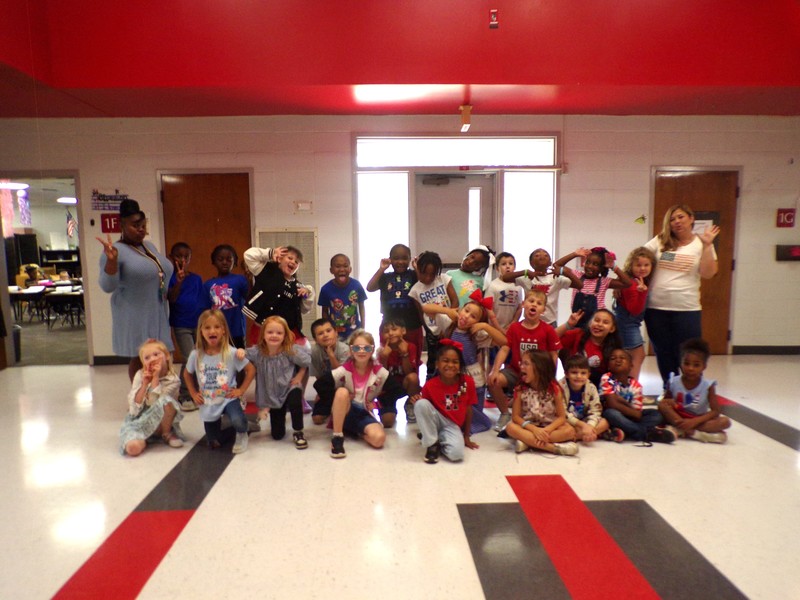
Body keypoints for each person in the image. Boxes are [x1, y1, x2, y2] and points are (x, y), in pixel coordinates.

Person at [97, 199, 174, 381]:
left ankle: (159, 396)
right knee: (142, 358)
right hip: (134, 314)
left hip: (157, 311)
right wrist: (111, 262)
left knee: (161, 355)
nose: (140, 229)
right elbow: (107, 286)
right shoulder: (115, 251)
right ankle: (140, 400)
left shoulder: (149, 246)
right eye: (134, 225)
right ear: (122, 225)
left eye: (142, 224)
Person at [644, 204, 720, 388]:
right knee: (663, 352)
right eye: (672, 219)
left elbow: (709, 273)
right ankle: (669, 389)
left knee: (690, 353)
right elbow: (639, 259)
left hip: (687, 309)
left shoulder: (701, 243)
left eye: (680, 217)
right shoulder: (660, 241)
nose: (676, 222)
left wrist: (708, 245)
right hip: (656, 308)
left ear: (691, 218)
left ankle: (691, 390)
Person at [422, 289, 507, 433]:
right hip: (448, 372)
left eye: (473, 316)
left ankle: (461, 424)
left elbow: (504, 341)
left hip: (470, 376)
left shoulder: (477, 334)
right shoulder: (448, 322)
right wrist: (447, 310)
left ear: (477, 322)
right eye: (466, 310)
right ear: (460, 309)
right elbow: (425, 308)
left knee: (470, 408)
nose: (466, 316)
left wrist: (486, 326)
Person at [322, 330, 403, 459]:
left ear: (372, 350)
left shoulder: (380, 372)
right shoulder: (344, 369)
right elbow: (320, 385)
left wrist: (378, 404)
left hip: (364, 412)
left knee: (379, 439)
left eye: (366, 348)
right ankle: (337, 438)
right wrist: (335, 401)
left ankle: (353, 430)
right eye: (356, 348)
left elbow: (398, 390)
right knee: (342, 392)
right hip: (346, 409)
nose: (361, 351)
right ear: (351, 350)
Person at [184, 309, 256, 453]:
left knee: (236, 420)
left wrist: (241, 390)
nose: (212, 331)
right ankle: (243, 425)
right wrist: (192, 393)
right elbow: (187, 374)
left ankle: (242, 430)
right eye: (207, 327)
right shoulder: (195, 355)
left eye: (217, 327)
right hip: (209, 400)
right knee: (213, 442)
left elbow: (251, 370)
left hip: (229, 398)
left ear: (223, 330)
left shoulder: (231, 352)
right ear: (201, 331)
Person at [489, 288, 562, 430]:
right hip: (516, 371)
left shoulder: (548, 330)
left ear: (544, 310)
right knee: (493, 381)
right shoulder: (514, 328)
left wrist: (551, 377)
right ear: (523, 304)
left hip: (538, 375)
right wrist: (495, 370)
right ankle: (505, 413)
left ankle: (532, 416)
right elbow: (504, 349)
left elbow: (553, 355)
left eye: (539, 303)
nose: (534, 304)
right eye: (531, 301)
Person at [239, 316, 312, 449]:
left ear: (285, 335)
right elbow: (244, 354)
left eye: (279, 333)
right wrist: (239, 351)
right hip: (273, 394)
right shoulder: (258, 352)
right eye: (270, 332)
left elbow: (306, 362)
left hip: (289, 387)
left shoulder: (290, 350)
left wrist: (299, 377)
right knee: (277, 435)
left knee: (295, 400)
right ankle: (279, 413)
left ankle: (298, 431)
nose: (274, 336)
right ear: (264, 334)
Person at [409, 340, 479, 463]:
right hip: (436, 420)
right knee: (421, 404)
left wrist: (466, 436)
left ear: (460, 365)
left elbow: (469, 409)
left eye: (455, 362)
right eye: (445, 361)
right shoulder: (430, 385)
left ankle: (436, 438)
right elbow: (426, 411)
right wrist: (417, 400)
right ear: (437, 364)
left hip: (452, 425)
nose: (450, 365)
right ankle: (432, 444)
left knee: (457, 455)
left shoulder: (467, 382)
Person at [504, 349, 578, 456]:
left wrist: (547, 430)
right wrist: (534, 429)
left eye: (526, 364)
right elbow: (515, 417)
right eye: (521, 363)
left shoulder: (555, 389)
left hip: (549, 427)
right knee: (510, 428)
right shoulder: (520, 389)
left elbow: (562, 417)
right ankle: (553, 448)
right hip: (529, 426)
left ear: (539, 368)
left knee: (569, 431)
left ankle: (528, 442)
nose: (521, 367)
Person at [119, 339, 185, 456]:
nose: (152, 359)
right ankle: (143, 438)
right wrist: (144, 384)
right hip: (140, 421)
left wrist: (155, 378)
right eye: (147, 358)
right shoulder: (140, 375)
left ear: (167, 356)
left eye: (156, 354)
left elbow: (157, 404)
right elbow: (134, 409)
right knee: (132, 449)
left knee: (166, 401)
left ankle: (166, 434)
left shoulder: (174, 380)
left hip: (162, 423)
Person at [658, 338, 731, 443]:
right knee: (661, 406)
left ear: (704, 367)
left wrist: (694, 422)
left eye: (696, 365)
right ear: (681, 363)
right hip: (677, 416)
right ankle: (695, 433)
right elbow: (665, 403)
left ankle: (683, 430)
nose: (690, 368)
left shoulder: (708, 386)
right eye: (686, 363)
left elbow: (715, 411)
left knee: (725, 422)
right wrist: (667, 402)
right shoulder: (673, 381)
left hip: (697, 419)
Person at [243, 245, 315, 344]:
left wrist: (308, 294)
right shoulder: (265, 269)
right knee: (259, 357)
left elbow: (305, 309)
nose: (293, 262)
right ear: (280, 259)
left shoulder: (298, 286)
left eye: (296, 262)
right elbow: (248, 255)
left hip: (285, 335)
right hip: (261, 329)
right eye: (290, 258)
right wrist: (270, 253)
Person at [600, 348, 675, 444]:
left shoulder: (636, 385)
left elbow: (637, 414)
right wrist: (630, 409)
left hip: (629, 417)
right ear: (609, 366)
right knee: (611, 413)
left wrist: (620, 401)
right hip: (611, 416)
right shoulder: (607, 378)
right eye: (613, 358)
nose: (618, 360)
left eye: (622, 358)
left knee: (656, 415)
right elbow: (612, 404)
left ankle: (625, 431)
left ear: (631, 366)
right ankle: (645, 433)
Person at [366, 243, 422, 364]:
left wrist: (417, 268)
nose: (400, 261)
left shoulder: (413, 275)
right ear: (390, 260)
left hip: (412, 325)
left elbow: (423, 284)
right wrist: (382, 268)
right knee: (388, 358)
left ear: (409, 259)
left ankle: (412, 381)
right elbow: (370, 287)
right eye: (396, 258)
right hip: (388, 326)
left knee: (412, 359)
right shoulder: (385, 277)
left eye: (404, 258)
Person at [408, 250, 458, 380]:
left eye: (432, 274)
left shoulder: (444, 279)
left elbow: (455, 301)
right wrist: (429, 331)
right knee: (433, 360)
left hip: (451, 326)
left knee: (451, 356)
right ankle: (431, 384)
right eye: (424, 274)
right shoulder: (415, 290)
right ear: (418, 269)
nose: (428, 278)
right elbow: (421, 314)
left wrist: (449, 324)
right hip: (432, 331)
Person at [501, 248, 583, 327]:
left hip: (550, 323)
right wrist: (525, 272)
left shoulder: (556, 278)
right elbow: (505, 277)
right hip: (529, 321)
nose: (542, 256)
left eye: (546, 255)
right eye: (537, 255)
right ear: (531, 263)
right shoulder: (526, 277)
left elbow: (579, 285)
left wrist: (564, 271)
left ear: (550, 262)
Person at [167, 242, 205, 411]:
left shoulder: (196, 278)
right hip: (181, 324)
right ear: (171, 257)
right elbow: (171, 298)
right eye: (178, 256)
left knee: (200, 357)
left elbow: (202, 301)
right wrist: (179, 281)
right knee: (190, 357)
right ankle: (184, 395)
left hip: (198, 324)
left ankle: (195, 391)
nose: (182, 260)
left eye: (186, 257)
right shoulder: (170, 278)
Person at [612, 247, 657, 381]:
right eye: (638, 265)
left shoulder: (634, 280)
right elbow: (635, 310)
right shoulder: (632, 284)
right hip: (627, 324)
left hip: (628, 323)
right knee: (637, 355)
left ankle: (628, 384)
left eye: (646, 265)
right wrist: (642, 293)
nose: (642, 268)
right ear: (631, 266)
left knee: (632, 355)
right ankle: (632, 385)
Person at [563, 246, 632, 329]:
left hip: (597, 325)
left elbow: (627, 283)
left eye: (595, 264)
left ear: (602, 268)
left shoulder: (604, 281)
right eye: (588, 262)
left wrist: (614, 267)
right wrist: (574, 254)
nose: (590, 266)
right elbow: (557, 265)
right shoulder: (577, 275)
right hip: (576, 323)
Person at [558, 355, 617, 444]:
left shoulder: (591, 388)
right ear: (566, 374)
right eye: (574, 372)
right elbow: (562, 414)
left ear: (588, 375)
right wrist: (582, 426)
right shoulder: (560, 387)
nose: (578, 376)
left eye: (583, 373)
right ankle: (594, 434)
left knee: (605, 422)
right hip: (568, 421)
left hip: (584, 420)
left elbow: (595, 410)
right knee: (564, 429)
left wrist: (589, 426)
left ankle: (582, 435)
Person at [557, 308, 621, 388]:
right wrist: (568, 325)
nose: (599, 324)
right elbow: (551, 337)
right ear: (590, 323)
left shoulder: (612, 349)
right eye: (597, 320)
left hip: (594, 388)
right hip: (572, 382)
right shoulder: (578, 334)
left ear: (612, 329)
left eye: (605, 322)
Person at [203, 244, 250, 349]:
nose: (224, 262)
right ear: (214, 261)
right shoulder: (208, 284)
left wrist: (250, 280)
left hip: (237, 331)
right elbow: (205, 311)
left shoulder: (240, 280)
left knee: (238, 359)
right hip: (215, 332)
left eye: (229, 259)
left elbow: (249, 299)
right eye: (220, 259)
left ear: (235, 261)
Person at [378, 317, 421, 425]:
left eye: (394, 329)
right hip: (388, 389)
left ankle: (410, 404)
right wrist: (384, 358)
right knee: (388, 422)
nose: (391, 333)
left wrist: (405, 355)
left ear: (403, 331)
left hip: (404, 385)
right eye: (386, 331)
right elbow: (382, 378)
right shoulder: (381, 351)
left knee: (413, 377)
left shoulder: (410, 347)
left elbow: (409, 372)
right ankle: (388, 409)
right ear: (382, 335)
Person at [309, 317, 350, 425]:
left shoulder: (344, 349)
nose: (325, 335)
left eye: (328, 331)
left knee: (344, 417)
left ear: (336, 333)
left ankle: (337, 407)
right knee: (317, 419)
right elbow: (319, 378)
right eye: (320, 333)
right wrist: (321, 394)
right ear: (315, 339)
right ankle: (330, 406)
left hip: (343, 389)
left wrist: (331, 356)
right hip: (328, 390)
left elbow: (342, 376)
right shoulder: (314, 352)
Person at [318, 254, 367, 341]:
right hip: (335, 333)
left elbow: (362, 307)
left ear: (350, 269)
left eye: (345, 266)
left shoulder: (357, 285)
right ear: (331, 270)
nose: (341, 269)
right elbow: (324, 312)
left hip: (355, 332)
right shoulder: (325, 289)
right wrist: (327, 331)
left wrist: (363, 328)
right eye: (337, 266)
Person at [485, 252, 523, 332]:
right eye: (503, 264)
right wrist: (498, 328)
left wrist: (513, 323)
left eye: (510, 264)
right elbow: (489, 309)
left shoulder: (518, 286)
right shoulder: (493, 285)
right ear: (497, 268)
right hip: (494, 327)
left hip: (511, 328)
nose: (508, 266)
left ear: (514, 267)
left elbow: (519, 308)